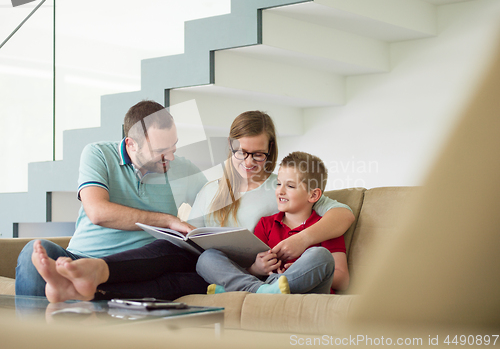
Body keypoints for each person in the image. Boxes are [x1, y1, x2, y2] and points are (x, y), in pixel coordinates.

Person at [31, 110, 354, 302]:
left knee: (174, 275)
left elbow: (342, 214)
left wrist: (300, 240)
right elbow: (195, 236)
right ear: (230, 148)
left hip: (243, 273)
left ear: (270, 152)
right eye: (242, 152)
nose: (250, 161)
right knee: (173, 253)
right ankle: (90, 284)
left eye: (259, 154)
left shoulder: (282, 189)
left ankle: (95, 278)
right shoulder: (210, 186)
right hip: (207, 264)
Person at [17, 100, 209, 298]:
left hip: (137, 267)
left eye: (173, 146)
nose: (170, 157)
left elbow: (217, 207)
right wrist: (168, 220)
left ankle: (82, 291)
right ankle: (36, 328)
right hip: (79, 258)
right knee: (32, 252)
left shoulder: (184, 170)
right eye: (160, 151)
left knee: (188, 269)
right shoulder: (98, 154)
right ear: (131, 144)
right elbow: (98, 212)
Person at [196, 151, 349, 295]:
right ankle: (263, 291)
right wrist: (256, 268)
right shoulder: (265, 224)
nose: (280, 191)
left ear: (313, 195)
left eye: (290, 186)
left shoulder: (325, 228)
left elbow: (343, 280)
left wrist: (300, 271)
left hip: (306, 289)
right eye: (278, 184)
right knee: (206, 258)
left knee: (320, 255)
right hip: (264, 283)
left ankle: (244, 290)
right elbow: (253, 269)